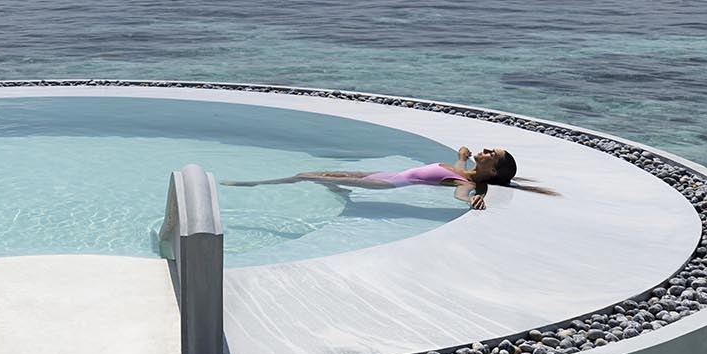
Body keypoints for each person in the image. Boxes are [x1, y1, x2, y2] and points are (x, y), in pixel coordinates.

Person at [220, 147, 555, 210]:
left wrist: (474, 200)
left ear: (492, 172)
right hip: (383, 174)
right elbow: (458, 166)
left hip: (388, 182)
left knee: (306, 175)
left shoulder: (466, 183)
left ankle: (252, 185)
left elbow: (462, 192)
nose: (486, 149)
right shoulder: (464, 169)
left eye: (492, 153)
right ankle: (337, 190)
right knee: (324, 173)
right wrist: (464, 155)